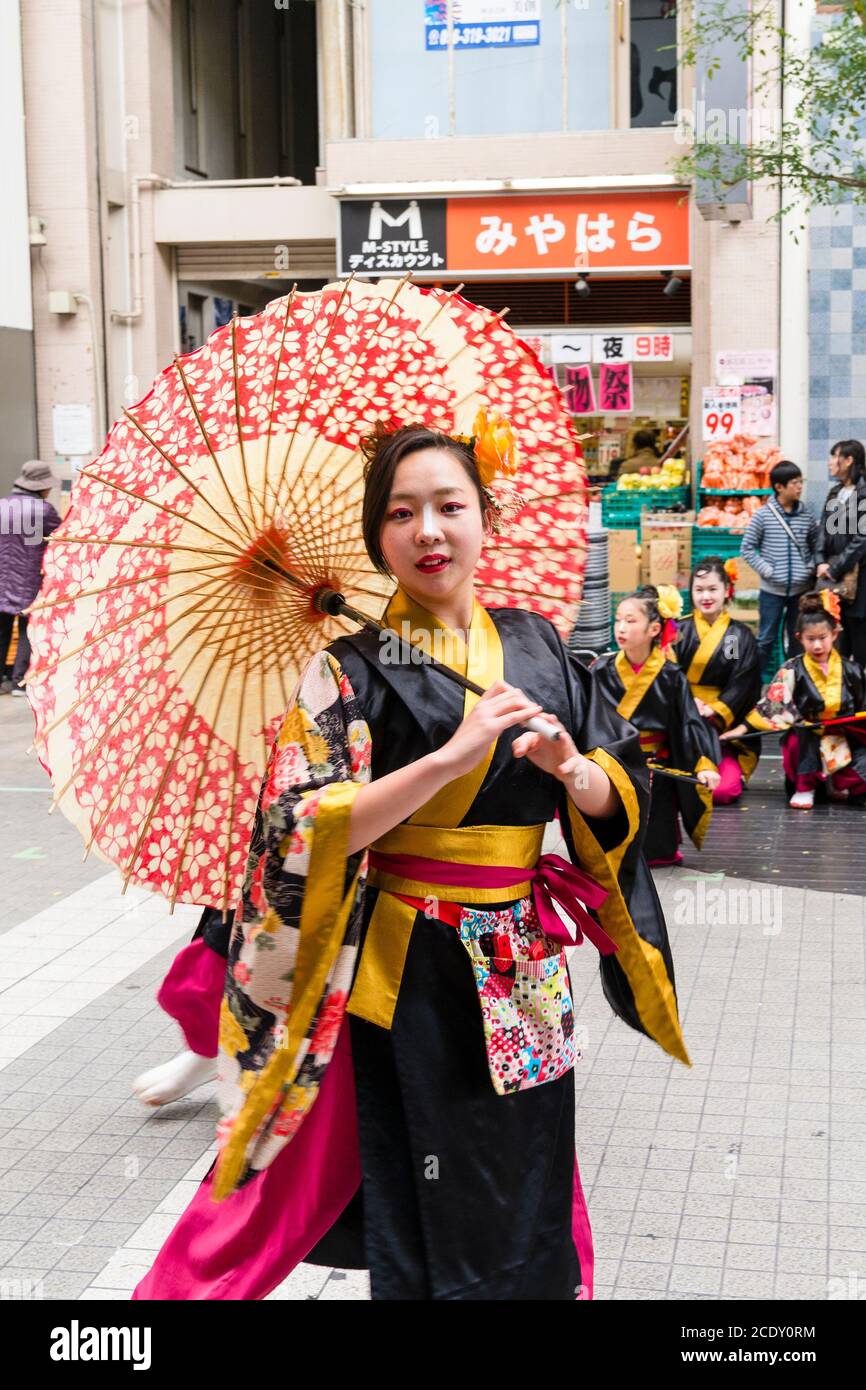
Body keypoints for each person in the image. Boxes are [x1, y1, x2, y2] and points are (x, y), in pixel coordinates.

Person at [133, 420, 690, 1302]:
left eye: (448, 506)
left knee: (530, 1166)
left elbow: (624, 790)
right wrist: (447, 759)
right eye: (401, 513)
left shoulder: (539, 645)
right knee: (422, 1178)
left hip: (521, 963)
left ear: (485, 517)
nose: (428, 530)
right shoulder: (348, 668)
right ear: (377, 537)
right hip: (408, 965)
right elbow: (298, 825)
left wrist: (574, 769)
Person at [592, 586, 721, 867]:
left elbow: (689, 722)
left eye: (630, 620)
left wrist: (704, 764)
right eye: (618, 619)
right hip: (613, 764)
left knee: (656, 839)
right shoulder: (600, 669)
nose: (621, 627)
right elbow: (587, 719)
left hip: (655, 766)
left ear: (653, 629)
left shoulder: (671, 675)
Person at [725, 591, 866, 811]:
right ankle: (806, 786)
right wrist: (742, 729)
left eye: (823, 638)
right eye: (811, 639)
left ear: (835, 634)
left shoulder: (853, 670)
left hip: (842, 736)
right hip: (807, 737)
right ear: (799, 637)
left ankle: (839, 783)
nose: (817, 646)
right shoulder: (792, 668)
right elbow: (771, 706)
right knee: (800, 737)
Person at [674, 557, 762, 804]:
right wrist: (689, 703)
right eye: (699, 590)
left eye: (713, 589)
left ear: (727, 591)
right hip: (683, 719)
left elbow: (743, 681)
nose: (706, 596)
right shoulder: (678, 631)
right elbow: (667, 674)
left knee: (724, 791)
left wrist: (714, 709)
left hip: (720, 723)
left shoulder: (735, 637)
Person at [740, 460, 818, 681]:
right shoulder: (763, 515)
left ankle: (793, 685)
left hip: (800, 592)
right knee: (765, 639)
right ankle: (754, 686)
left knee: (797, 640)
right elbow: (746, 548)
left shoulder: (807, 515)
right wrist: (767, 570)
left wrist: (810, 567)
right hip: (771, 591)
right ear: (779, 487)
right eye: (794, 483)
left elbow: (815, 545)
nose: (799, 487)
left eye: (800, 482)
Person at [0, 459, 61, 694]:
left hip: (2, 579)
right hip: (30, 579)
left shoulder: (2, 506)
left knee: (2, 629)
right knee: (28, 628)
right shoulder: (43, 510)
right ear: (39, 486)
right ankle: (19, 681)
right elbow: (61, 536)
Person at [815, 439, 866, 669]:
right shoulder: (835, 491)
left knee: (859, 639)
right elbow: (824, 530)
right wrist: (820, 561)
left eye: (834, 456)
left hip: (858, 579)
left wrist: (835, 568)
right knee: (837, 637)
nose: (830, 462)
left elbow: (862, 539)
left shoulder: (863, 493)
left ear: (848, 460)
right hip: (833, 578)